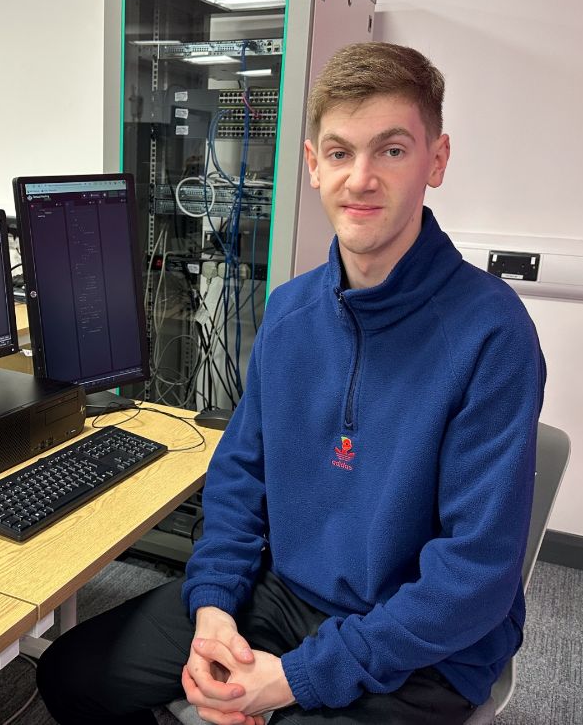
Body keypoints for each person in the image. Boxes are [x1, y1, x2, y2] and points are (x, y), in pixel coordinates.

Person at [36, 41, 546, 725]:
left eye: (391, 150)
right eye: (339, 152)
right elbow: (241, 475)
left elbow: (474, 576)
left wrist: (297, 679)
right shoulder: (291, 311)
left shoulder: (492, 334)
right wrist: (214, 607)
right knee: (73, 674)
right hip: (287, 591)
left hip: (422, 642)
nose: (360, 178)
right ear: (312, 165)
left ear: (438, 159)